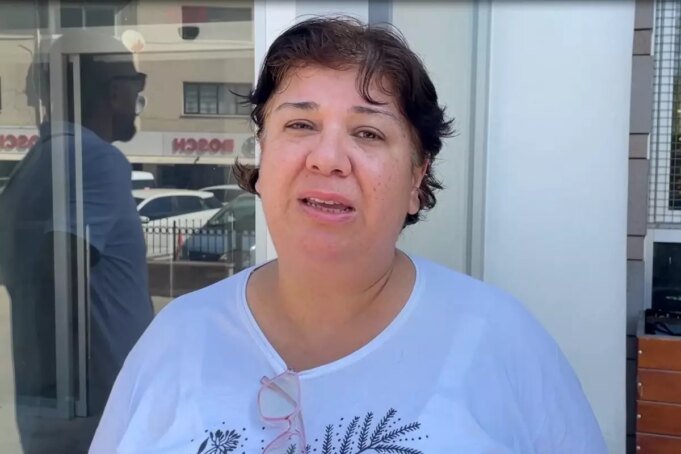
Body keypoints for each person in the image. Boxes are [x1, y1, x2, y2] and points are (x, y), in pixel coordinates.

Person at [90, 17, 607, 453]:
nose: (328, 158)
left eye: (368, 133)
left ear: (416, 178)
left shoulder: (502, 343)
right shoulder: (177, 338)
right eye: (300, 125)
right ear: (263, 159)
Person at [0, 32, 153, 453]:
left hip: (53, 401)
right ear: (113, 91)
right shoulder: (95, 159)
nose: (138, 98)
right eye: (136, 84)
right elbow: (61, 266)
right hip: (98, 409)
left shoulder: (34, 165)